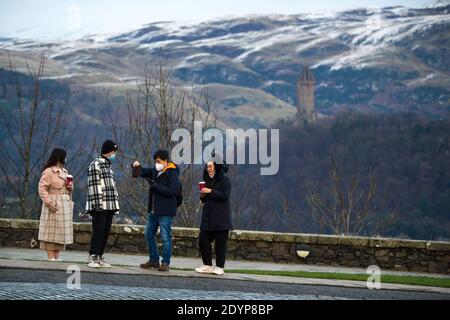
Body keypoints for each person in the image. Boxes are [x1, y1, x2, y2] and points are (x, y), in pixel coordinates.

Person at [132, 150, 181, 272]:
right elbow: (142, 172)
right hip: (154, 210)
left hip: (166, 211)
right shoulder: (155, 171)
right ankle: (154, 260)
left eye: (159, 161)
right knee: (148, 234)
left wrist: (156, 187)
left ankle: (165, 262)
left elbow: (173, 191)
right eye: (155, 161)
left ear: (165, 161)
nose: (156, 164)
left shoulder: (172, 174)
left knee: (165, 237)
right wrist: (136, 166)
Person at [195, 156, 232, 275]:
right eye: (207, 166)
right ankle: (207, 265)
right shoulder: (207, 181)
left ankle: (220, 266)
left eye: (211, 166)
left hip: (221, 218)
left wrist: (210, 191)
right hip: (208, 217)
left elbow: (225, 196)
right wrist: (203, 196)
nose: (208, 168)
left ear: (217, 167)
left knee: (220, 244)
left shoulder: (225, 181)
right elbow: (206, 200)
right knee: (203, 240)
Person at [85, 140, 120, 268]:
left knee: (105, 231)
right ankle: (93, 256)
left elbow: (113, 187)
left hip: (110, 205)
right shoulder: (96, 165)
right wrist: (98, 205)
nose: (114, 154)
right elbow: (94, 186)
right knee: (98, 230)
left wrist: (115, 206)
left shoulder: (109, 167)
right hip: (100, 205)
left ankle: (99, 255)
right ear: (109, 151)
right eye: (114, 151)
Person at [38, 148, 74, 261]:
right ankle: (51, 257)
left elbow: (68, 190)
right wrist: (49, 202)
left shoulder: (65, 172)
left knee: (60, 231)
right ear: (59, 157)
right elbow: (41, 188)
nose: (66, 158)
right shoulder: (48, 171)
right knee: (51, 230)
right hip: (54, 203)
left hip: (64, 203)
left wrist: (71, 188)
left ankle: (57, 256)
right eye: (64, 156)